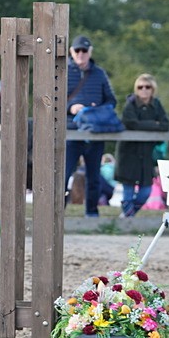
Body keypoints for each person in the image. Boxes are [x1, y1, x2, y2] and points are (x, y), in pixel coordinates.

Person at [64, 35, 116, 217]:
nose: (81, 53)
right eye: (77, 50)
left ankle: (92, 213)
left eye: (84, 50)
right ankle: (57, 213)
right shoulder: (62, 71)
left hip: (94, 131)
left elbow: (111, 101)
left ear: (90, 52)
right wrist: (71, 108)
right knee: (64, 175)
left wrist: (96, 109)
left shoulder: (99, 73)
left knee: (94, 177)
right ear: (71, 52)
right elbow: (50, 101)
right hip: (71, 131)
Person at [114, 73, 169, 216]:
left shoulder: (156, 105)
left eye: (147, 87)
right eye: (140, 87)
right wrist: (154, 124)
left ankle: (128, 215)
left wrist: (146, 125)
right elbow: (131, 123)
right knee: (128, 190)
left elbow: (165, 124)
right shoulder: (130, 104)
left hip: (146, 154)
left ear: (153, 89)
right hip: (129, 153)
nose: (144, 90)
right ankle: (127, 219)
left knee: (146, 191)